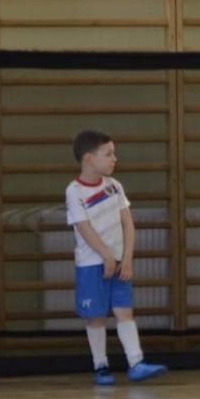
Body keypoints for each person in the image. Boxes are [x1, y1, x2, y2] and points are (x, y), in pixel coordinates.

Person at [66, 130, 167, 385]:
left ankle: (136, 363)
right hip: (92, 265)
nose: (115, 159)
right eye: (108, 154)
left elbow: (127, 223)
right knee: (96, 316)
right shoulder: (75, 191)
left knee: (124, 311)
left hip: (120, 261)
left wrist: (127, 257)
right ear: (89, 158)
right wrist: (106, 256)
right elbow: (84, 228)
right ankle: (100, 366)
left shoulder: (115, 186)